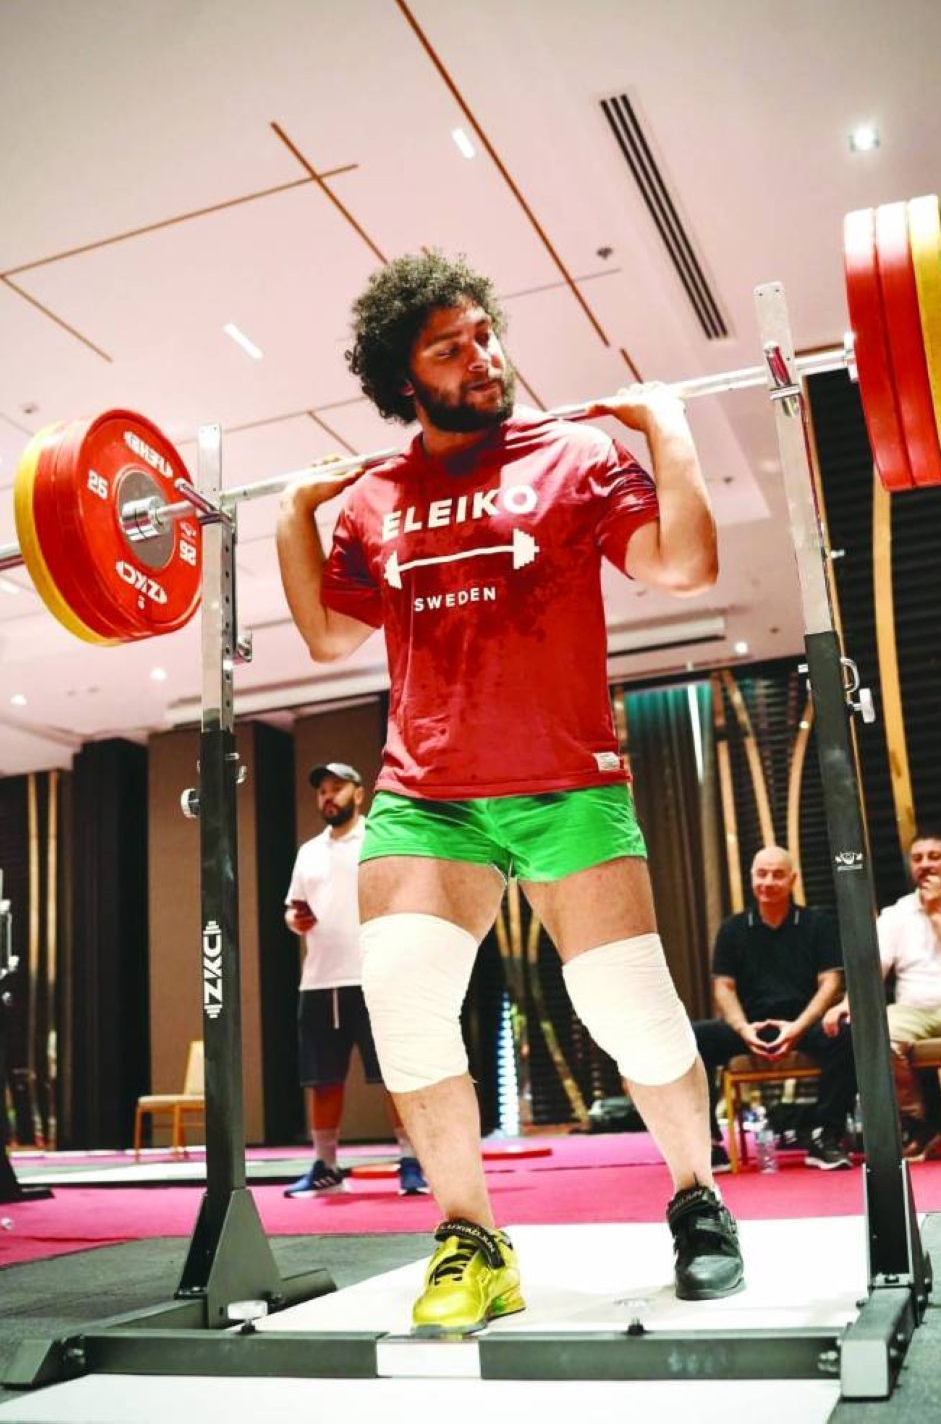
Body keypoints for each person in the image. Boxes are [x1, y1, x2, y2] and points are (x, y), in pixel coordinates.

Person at [276, 250, 743, 1334]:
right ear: (405, 380)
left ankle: (697, 1198)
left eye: (483, 331)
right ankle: (472, 1240)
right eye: (449, 347)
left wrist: (664, 423)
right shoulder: (377, 499)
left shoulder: (573, 454)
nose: (482, 356)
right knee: (401, 1001)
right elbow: (328, 631)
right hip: (427, 793)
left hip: (564, 778)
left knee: (627, 1008)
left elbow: (686, 567)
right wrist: (299, 516)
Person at [283, 760, 428, 1198]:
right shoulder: (308, 851)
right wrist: (296, 919)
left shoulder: (379, 838)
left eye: (337, 788)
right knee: (322, 1078)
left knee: (392, 1076)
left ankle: (412, 1161)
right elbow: (293, 908)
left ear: (359, 794)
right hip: (320, 981)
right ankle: (325, 1165)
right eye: (321, 789)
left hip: (377, 975)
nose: (328, 796)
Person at [823, 830, 941, 1158]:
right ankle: (919, 1124)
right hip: (915, 1009)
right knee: (873, 1033)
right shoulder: (897, 913)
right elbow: (871, 971)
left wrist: (935, 914)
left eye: (934, 856)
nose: (925, 864)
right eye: (918, 858)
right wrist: (846, 1004)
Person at [694, 847, 856, 1172]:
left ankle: (825, 1134)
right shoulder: (732, 929)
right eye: (761, 873)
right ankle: (706, 1143)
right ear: (752, 877)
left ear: (793, 879)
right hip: (750, 1026)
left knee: (849, 1036)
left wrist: (797, 1026)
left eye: (777, 874)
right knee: (690, 1039)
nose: (768, 881)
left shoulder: (818, 924)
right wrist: (742, 1028)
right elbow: (723, 987)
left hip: (803, 1023)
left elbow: (830, 983)